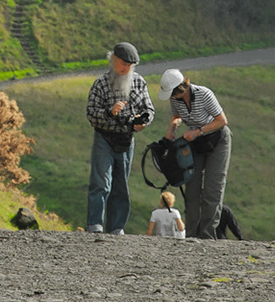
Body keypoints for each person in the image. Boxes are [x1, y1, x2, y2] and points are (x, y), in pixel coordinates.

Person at [84, 42, 153, 233]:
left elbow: (149, 109)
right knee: (101, 182)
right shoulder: (101, 83)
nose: (125, 68)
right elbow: (90, 112)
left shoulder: (139, 82)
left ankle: (116, 228)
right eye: (123, 64)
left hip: (126, 139)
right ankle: (94, 224)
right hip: (104, 137)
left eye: (129, 66)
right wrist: (109, 112)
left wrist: (142, 122)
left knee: (120, 186)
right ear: (113, 60)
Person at [159, 67, 231, 240]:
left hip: (217, 139)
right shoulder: (175, 100)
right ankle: (191, 235)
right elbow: (176, 116)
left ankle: (207, 235)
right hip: (196, 143)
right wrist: (172, 128)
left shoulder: (204, 94)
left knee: (212, 189)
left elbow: (221, 120)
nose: (172, 97)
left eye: (173, 93)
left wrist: (198, 131)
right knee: (192, 188)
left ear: (181, 88)